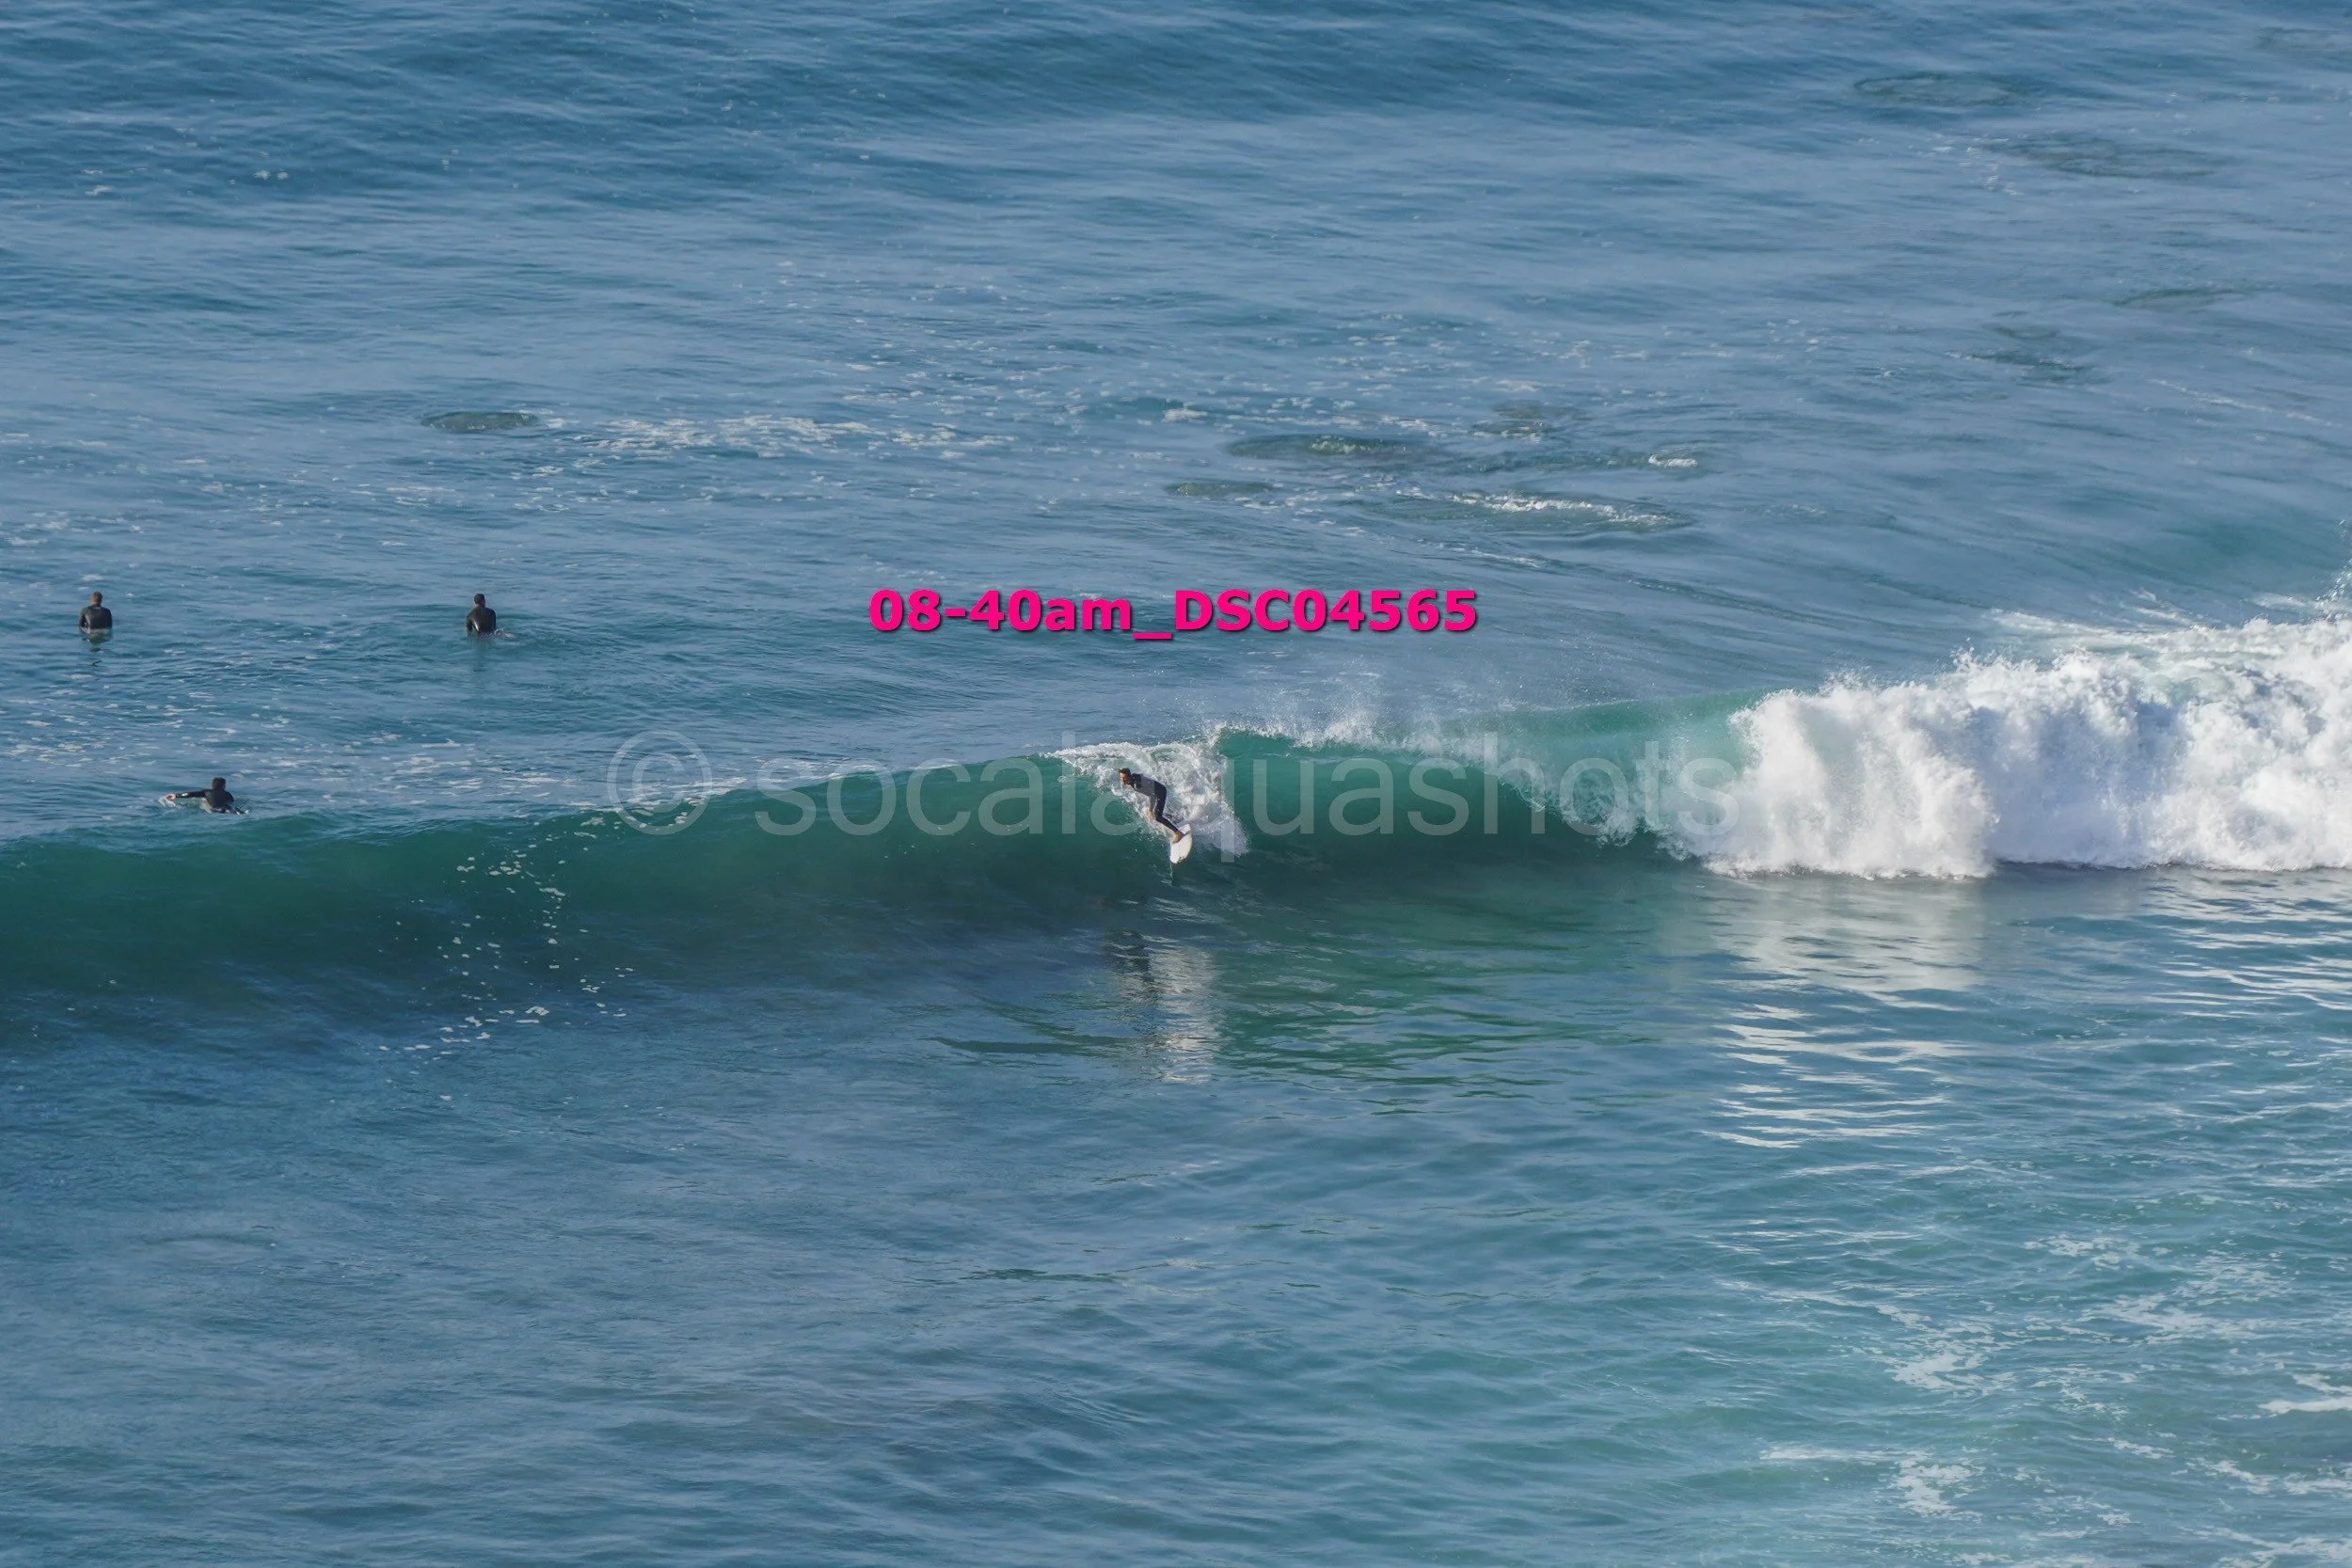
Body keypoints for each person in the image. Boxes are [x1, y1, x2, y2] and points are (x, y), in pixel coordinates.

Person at [1118, 768, 1184, 838]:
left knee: (1157, 817)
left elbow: (1152, 795)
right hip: (1159, 789)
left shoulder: (1137, 786)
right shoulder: (1133, 776)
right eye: (1121, 777)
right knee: (1158, 812)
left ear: (1129, 776)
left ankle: (1178, 833)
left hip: (1160, 792)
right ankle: (1176, 819)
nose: (1123, 780)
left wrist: (1150, 810)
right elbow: (1141, 776)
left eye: (1125, 778)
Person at [167, 777, 243, 814]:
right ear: (223, 786)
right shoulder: (228, 794)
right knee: (234, 811)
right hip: (227, 808)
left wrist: (176, 795)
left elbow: (190, 794)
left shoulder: (206, 792)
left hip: (215, 810)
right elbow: (232, 802)